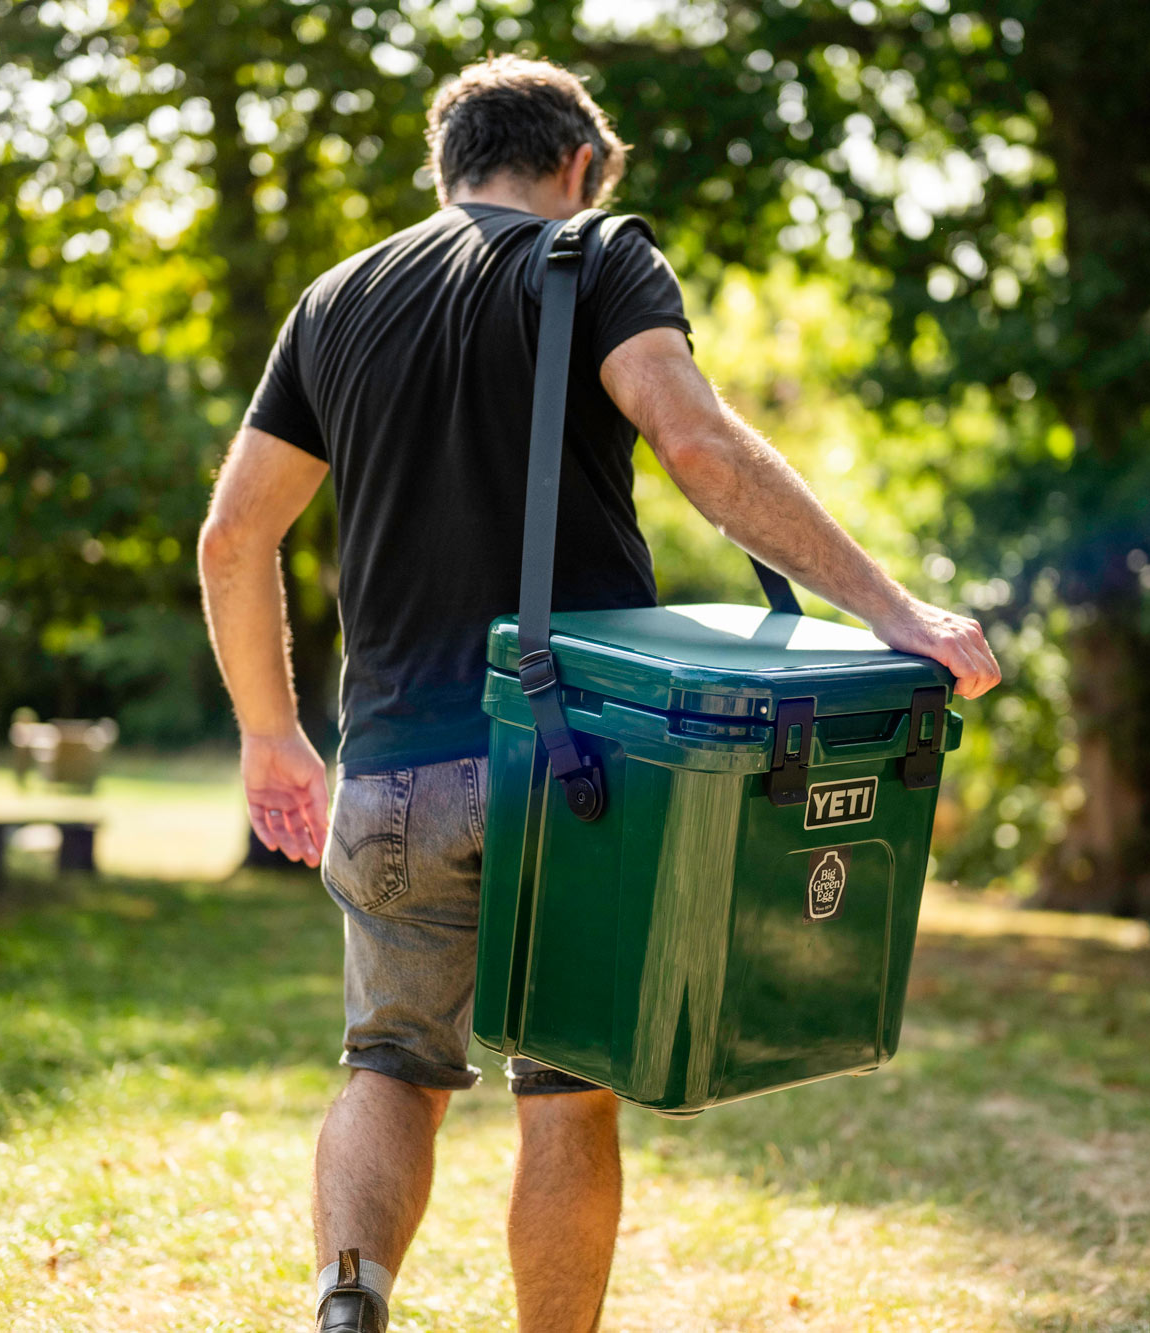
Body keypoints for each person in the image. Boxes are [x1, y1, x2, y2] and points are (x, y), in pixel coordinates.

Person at [196, 54, 1000, 1333]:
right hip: (574, 754)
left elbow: (233, 540)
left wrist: (270, 736)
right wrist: (888, 610)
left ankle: (348, 1305)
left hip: (397, 760)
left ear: (444, 167)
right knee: (565, 1091)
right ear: (577, 167)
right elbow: (696, 444)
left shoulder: (334, 299)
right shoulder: (596, 256)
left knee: (388, 1063)